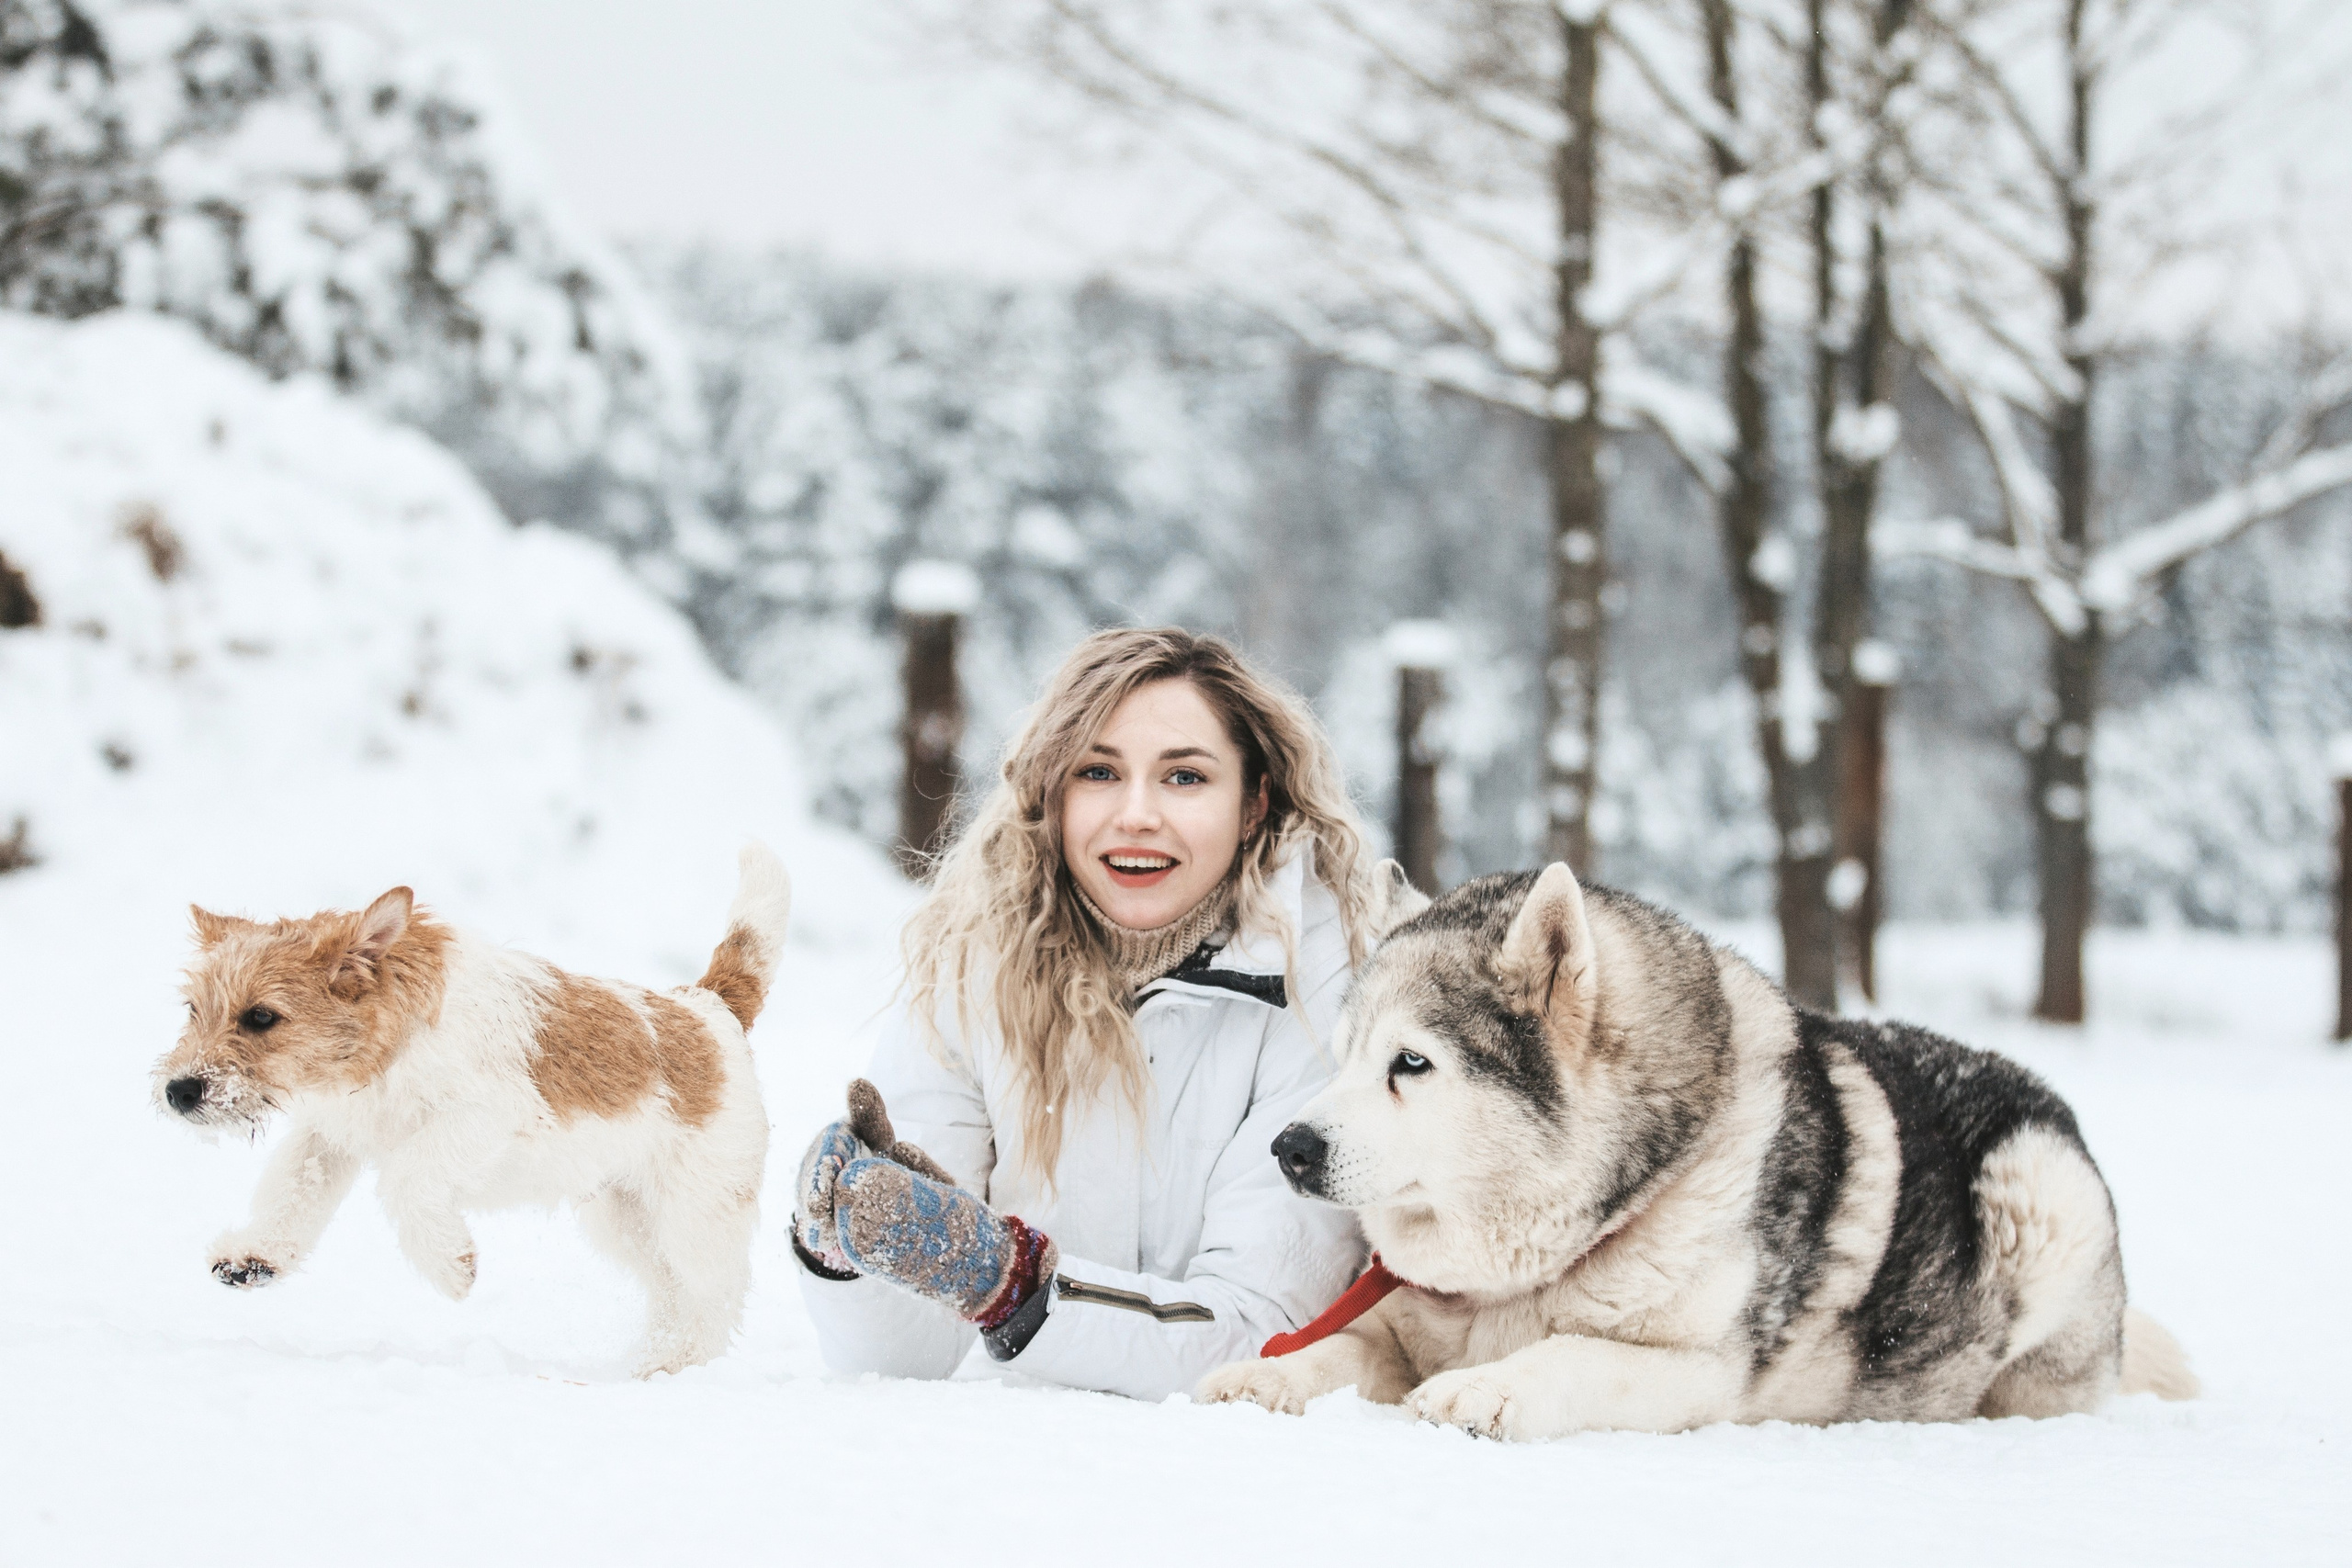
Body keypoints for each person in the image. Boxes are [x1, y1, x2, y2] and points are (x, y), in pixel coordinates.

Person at [790, 626, 1387, 1399]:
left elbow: (1263, 1330)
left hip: (1241, 1477)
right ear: (1053, 793)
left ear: (1254, 803)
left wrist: (1011, 1286)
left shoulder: (1329, 991)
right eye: (1099, 771)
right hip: (1026, 1471)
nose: (1136, 814)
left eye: (1185, 778)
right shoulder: (974, 963)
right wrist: (845, 1247)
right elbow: (902, 1357)